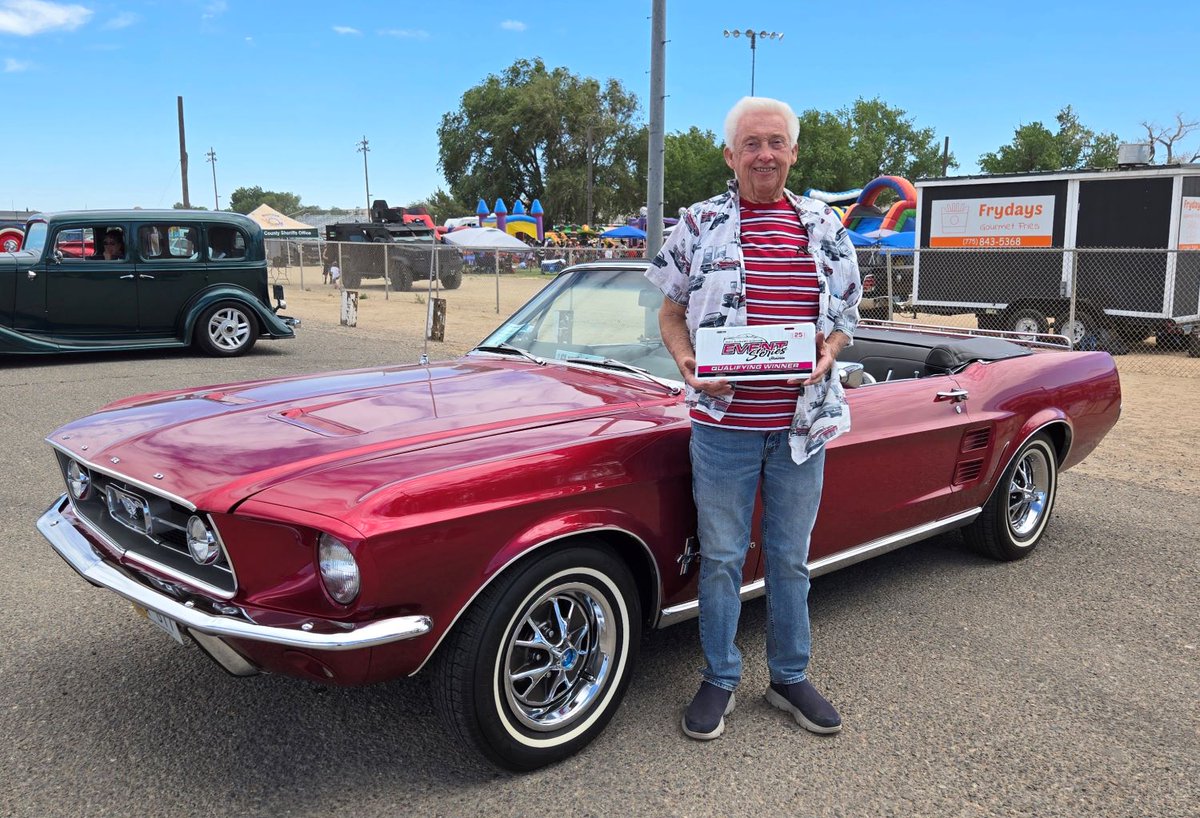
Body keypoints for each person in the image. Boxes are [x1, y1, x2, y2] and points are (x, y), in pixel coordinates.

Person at [645, 96, 861, 742]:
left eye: (775, 142)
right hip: (722, 429)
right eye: (751, 143)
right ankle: (719, 677)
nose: (763, 154)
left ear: (793, 152)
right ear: (729, 155)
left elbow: (845, 318)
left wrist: (829, 353)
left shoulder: (825, 225)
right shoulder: (699, 222)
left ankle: (790, 676)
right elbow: (669, 311)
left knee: (790, 559)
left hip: (803, 427)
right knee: (721, 559)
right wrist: (686, 359)